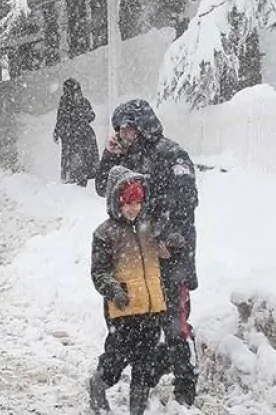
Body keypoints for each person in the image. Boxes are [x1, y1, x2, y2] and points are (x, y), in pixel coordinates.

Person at [94, 99, 199, 406]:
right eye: (119, 131)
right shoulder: (127, 155)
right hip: (138, 257)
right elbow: (104, 187)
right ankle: (149, 371)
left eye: (125, 129)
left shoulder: (171, 155)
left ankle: (185, 386)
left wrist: (168, 240)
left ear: (140, 126)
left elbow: (185, 204)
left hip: (170, 256)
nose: (122, 135)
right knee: (142, 322)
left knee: (174, 323)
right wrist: (109, 155)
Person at [88, 165, 169, 415]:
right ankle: (98, 384)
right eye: (127, 203)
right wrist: (115, 291)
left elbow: (164, 256)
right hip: (123, 310)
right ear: (116, 202)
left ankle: (137, 411)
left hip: (151, 308)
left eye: (138, 202)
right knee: (116, 360)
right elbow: (99, 272)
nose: (134, 208)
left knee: (144, 364)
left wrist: (171, 246)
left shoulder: (150, 228)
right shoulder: (105, 233)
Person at [53, 78, 99, 187]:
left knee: (84, 159)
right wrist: (58, 131)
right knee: (76, 160)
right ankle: (74, 180)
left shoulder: (82, 101)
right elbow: (61, 119)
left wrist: (81, 120)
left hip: (82, 135)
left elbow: (92, 116)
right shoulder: (65, 103)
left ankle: (81, 179)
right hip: (72, 136)